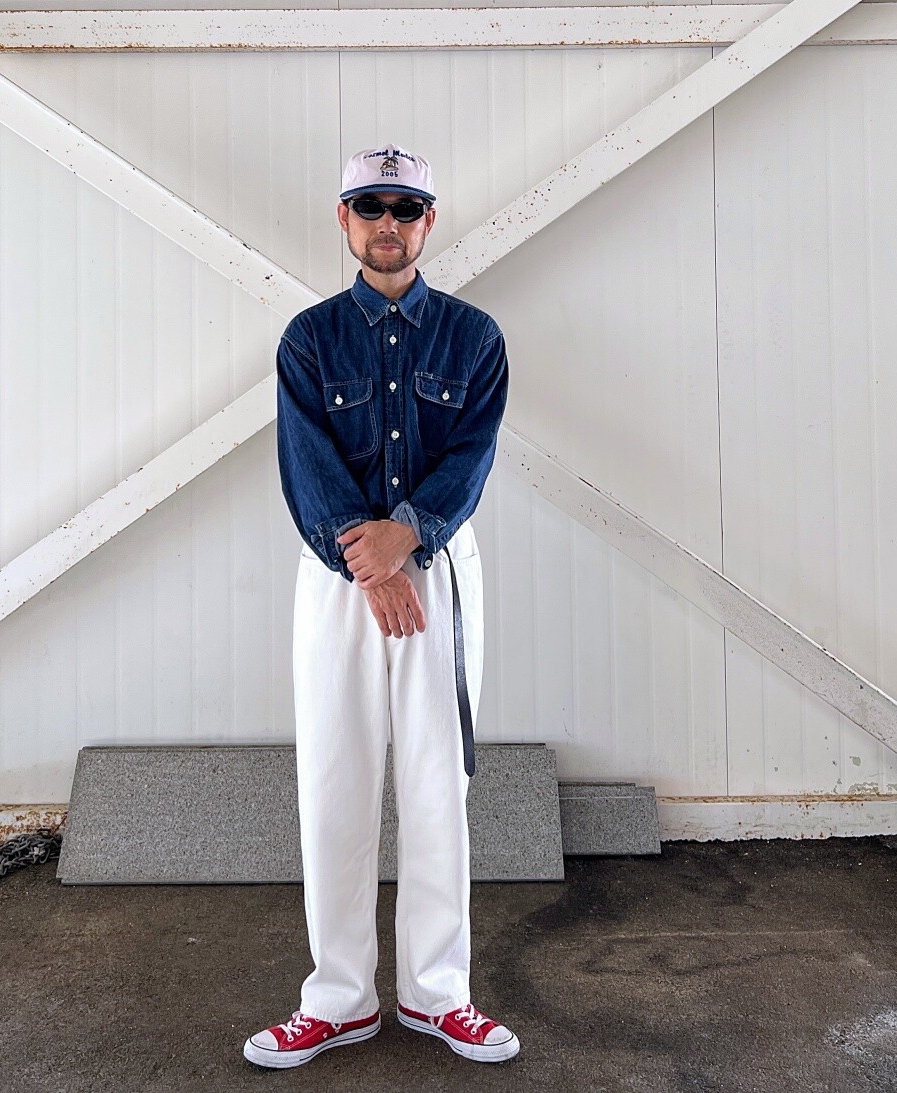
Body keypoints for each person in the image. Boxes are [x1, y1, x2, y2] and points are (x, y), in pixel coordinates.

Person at [243, 142, 519, 1069]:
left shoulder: (475, 339)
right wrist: (371, 561)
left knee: (440, 784)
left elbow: (471, 455)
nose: (388, 224)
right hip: (338, 582)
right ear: (345, 218)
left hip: (437, 573)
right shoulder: (308, 340)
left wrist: (408, 535)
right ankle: (339, 998)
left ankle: (439, 994)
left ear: (429, 221)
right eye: (371, 207)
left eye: (405, 208)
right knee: (335, 782)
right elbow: (306, 466)